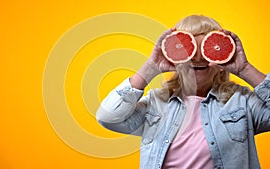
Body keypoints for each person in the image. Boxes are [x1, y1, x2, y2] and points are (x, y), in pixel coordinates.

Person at [96, 15, 269, 169]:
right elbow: (108, 117)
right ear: (174, 55)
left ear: (221, 57)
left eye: (206, 50)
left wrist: (245, 69)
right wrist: (150, 67)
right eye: (189, 50)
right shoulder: (156, 104)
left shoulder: (242, 102)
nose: (198, 58)